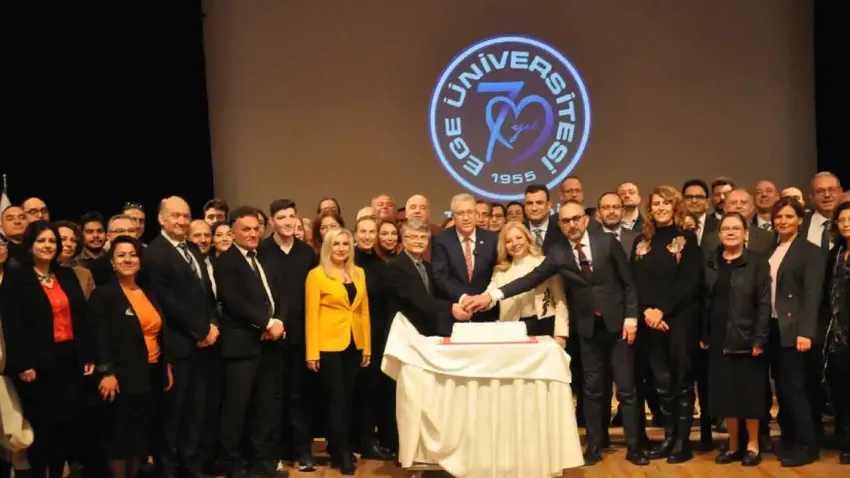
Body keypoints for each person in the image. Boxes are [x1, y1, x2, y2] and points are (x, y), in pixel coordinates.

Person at [463, 201, 649, 466]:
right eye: (565, 221)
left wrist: (631, 318)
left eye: (576, 219)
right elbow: (530, 279)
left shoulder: (607, 243)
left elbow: (629, 284)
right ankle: (594, 447)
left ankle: (634, 447)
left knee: (627, 390)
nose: (571, 224)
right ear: (559, 224)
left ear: (585, 219)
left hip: (618, 325)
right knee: (593, 391)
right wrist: (492, 295)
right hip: (587, 329)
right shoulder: (558, 253)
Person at [1, 221, 94, 478]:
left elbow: (81, 319)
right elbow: (12, 324)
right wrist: (22, 364)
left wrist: (87, 354)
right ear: (30, 245)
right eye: (41, 241)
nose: (48, 246)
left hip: (69, 363)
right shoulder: (17, 277)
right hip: (37, 367)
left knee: (66, 427)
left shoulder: (65, 275)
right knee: (43, 430)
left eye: (52, 241)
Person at [89, 236, 174, 478]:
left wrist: (166, 365)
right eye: (121, 255)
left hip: (150, 373)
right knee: (119, 438)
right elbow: (99, 337)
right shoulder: (104, 295)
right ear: (113, 263)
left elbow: (159, 332)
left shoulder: (147, 291)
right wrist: (107, 373)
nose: (128, 259)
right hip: (120, 377)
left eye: (133, 254)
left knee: (139, 437)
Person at [701, 213, 770, 466]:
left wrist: (759, 339)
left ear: (745, 233)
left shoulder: (757, 263)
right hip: (718, 337)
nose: (730, 232)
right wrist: (704, 333)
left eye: (736, 228)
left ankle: (752, 445)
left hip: (747, 337)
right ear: (719, 234)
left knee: (749, 395)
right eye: (726, 228)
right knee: (726, 394)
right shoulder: (711, 263)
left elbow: (763, 304)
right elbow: (705, 301)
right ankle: (733, 445)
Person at [305, 228, 371, 476]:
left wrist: (367, 346)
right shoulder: (317, 275)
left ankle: (340, 449)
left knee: (349, 398)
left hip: (354, 344)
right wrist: (312, 352)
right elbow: (312, 315)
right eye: (336, 244)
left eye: (346, 244)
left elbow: (363, 312)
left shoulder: (359, 273)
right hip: (328, 345)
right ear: (328, 248)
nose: (342, 248)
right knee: (336, 400)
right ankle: (342, 454)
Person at [769, 197, 825, 467]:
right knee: (783, 389)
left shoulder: (810, 251)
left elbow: (812, 295)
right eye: (779, 217)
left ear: (800, 220)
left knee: (796, 390)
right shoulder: (774, 248)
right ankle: (790, 439)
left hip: (795, 330)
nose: (783, 221)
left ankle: (807, 445)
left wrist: (806, 331)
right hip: (774, 327)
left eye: (789, 216)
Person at [824, 200, 850, 465]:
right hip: (838, 335)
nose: (846, 224)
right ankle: (846, 441)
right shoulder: (835, 253)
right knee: (841, 390)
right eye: (842, 220)